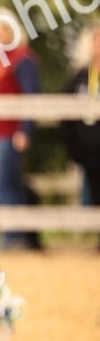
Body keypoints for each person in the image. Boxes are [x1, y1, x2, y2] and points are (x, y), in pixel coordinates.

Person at [0, 7, 41, 249]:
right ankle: (20, 236)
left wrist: (25, 129)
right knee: (7, 183)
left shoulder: (23, 59)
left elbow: (30, 97)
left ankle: (14, 235)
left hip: (10, 133)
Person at [62, 23, 100, 241]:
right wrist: (74, 148)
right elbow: (64, 113)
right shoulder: (79, 77)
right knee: (94, 196)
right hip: (89, 152)